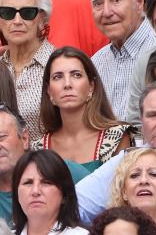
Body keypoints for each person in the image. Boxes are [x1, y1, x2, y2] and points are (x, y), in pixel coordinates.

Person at [37, 48, 132, 180]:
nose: (67, 84)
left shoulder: (116, 137)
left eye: (76, 75)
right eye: (58, 77)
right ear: (49, 91)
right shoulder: (38, 148)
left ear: (91, 86)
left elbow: (122, 194)